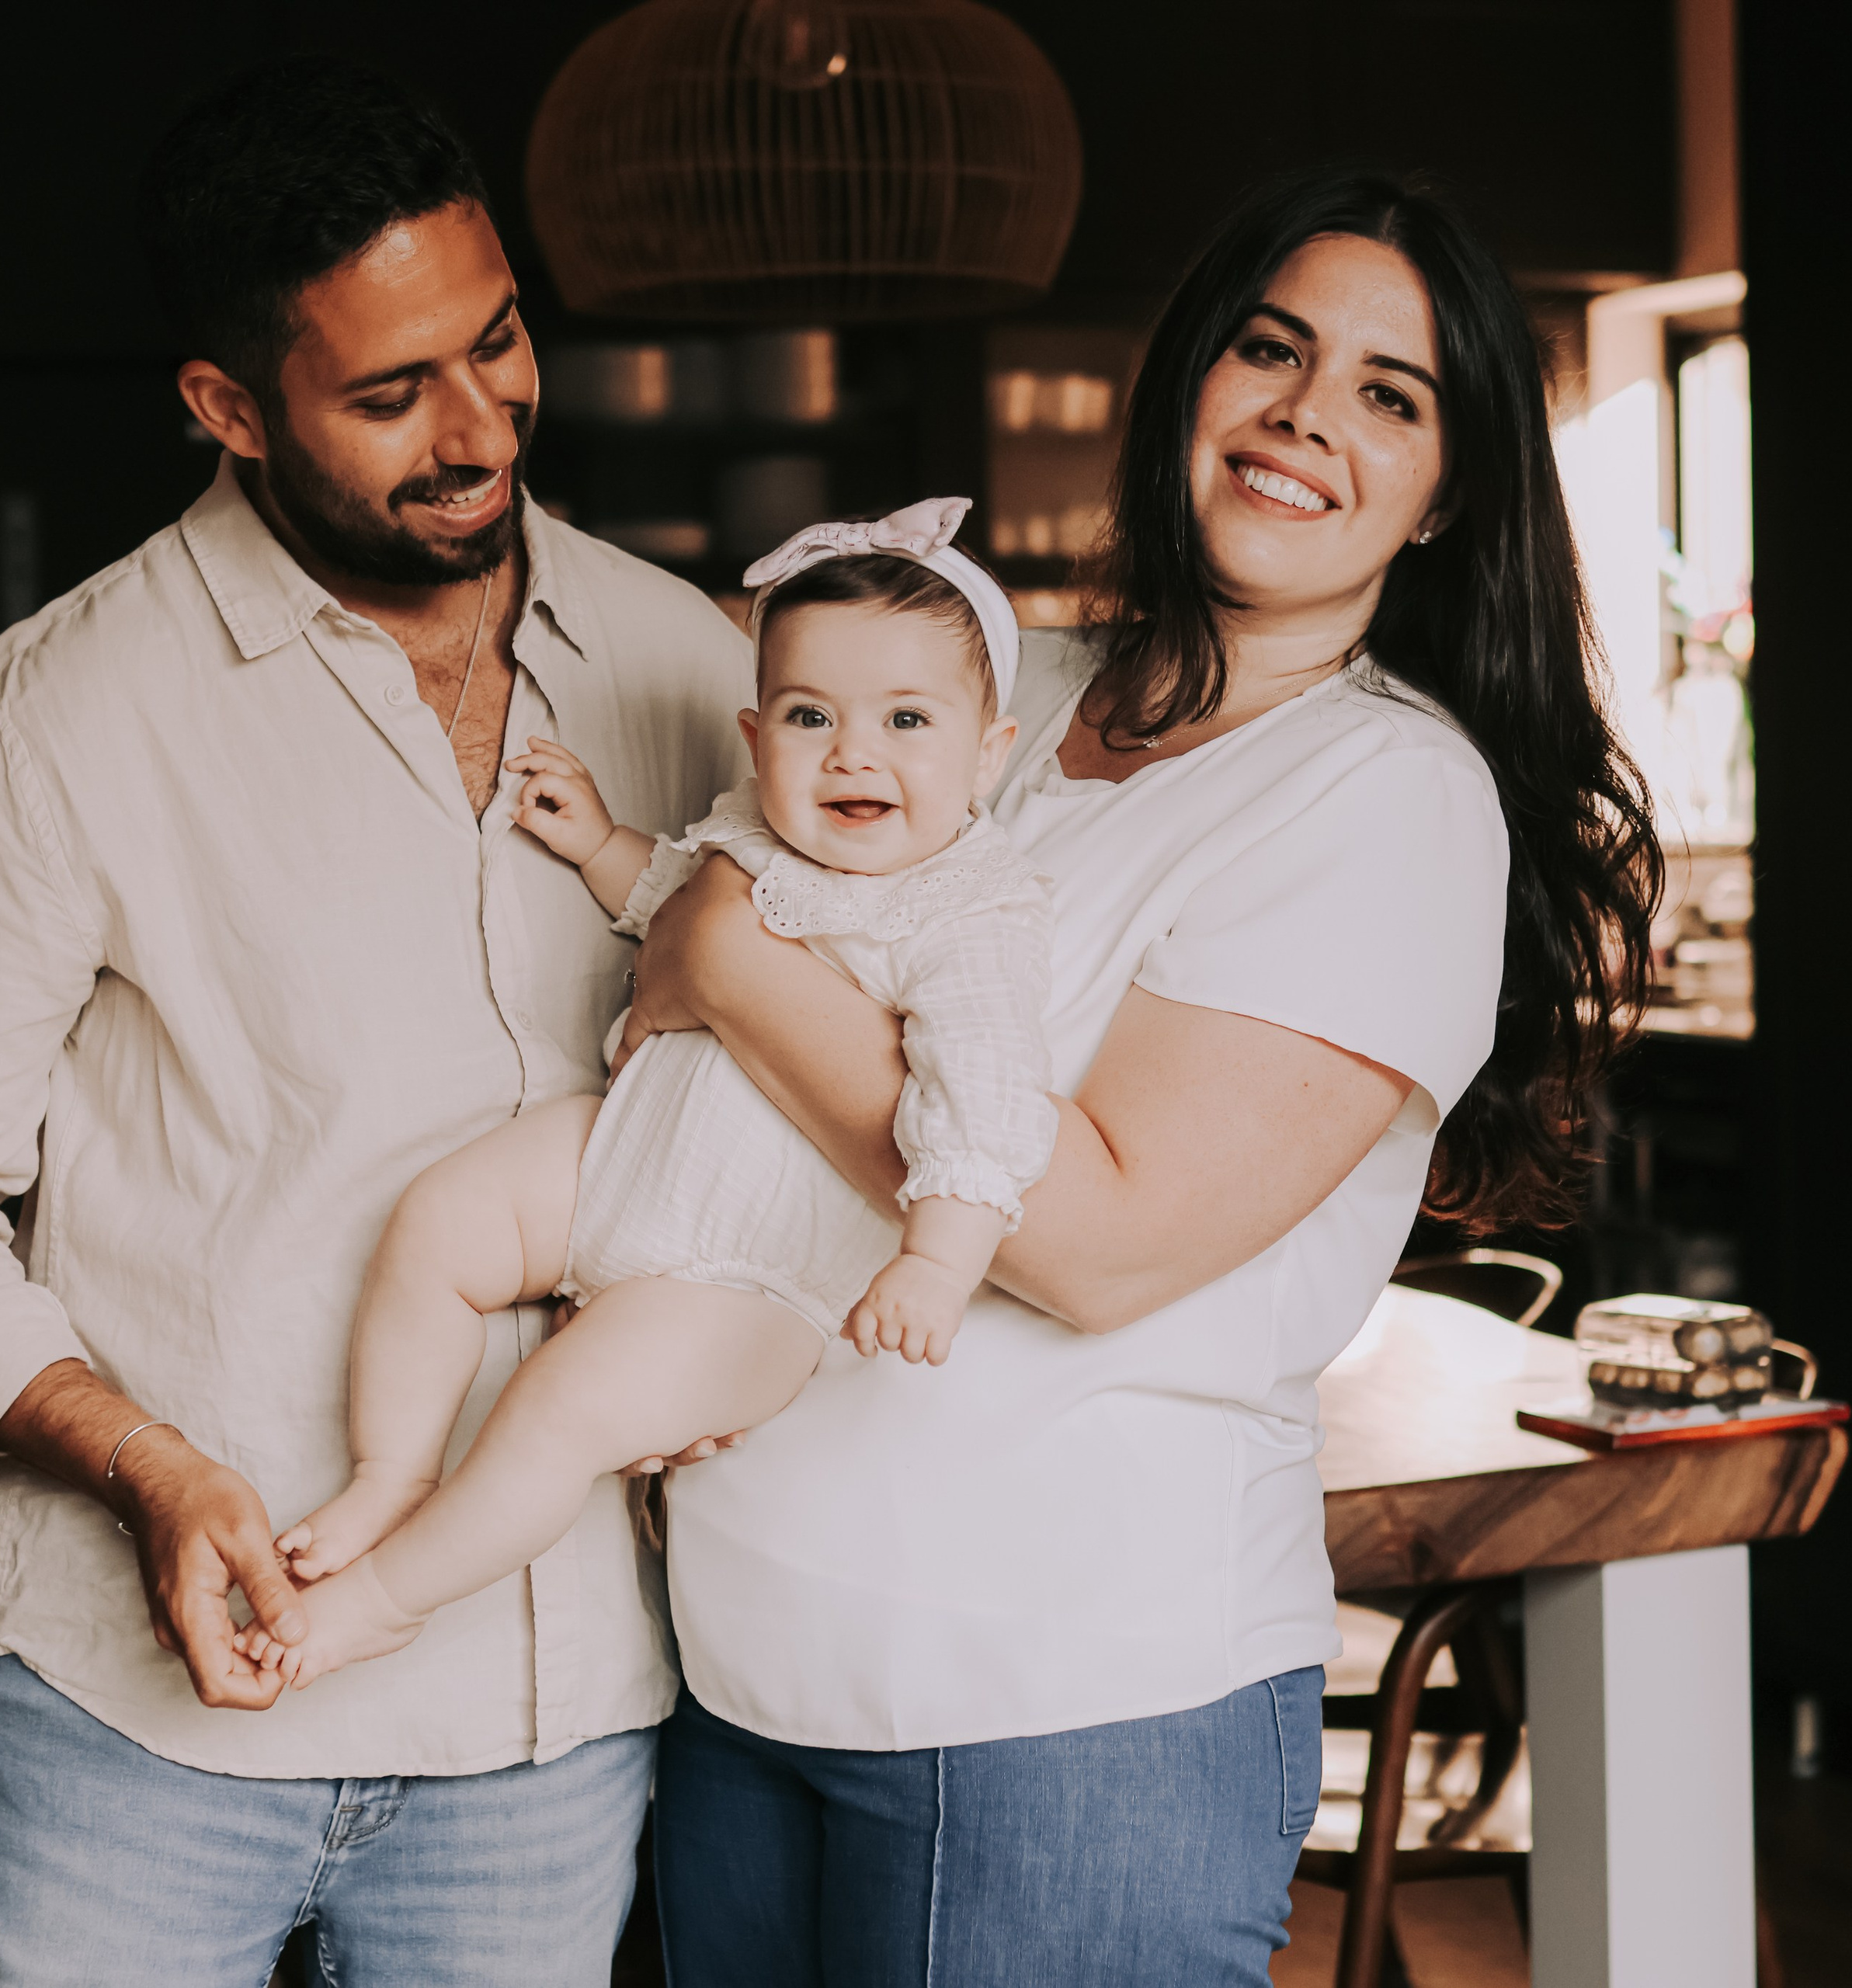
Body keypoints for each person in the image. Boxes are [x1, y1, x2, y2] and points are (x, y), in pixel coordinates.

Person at [624, 166, 1663, 1984]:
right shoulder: (1000, 679)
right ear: (1187, 379)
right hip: (733, 1673)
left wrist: (722, 957)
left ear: (1448, 497)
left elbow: (1093, 1234)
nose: (1302, 417)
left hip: (1064, 1717)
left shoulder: (1383, 796)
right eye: (1269, 352)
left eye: (1386, 396)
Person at [0, 59, 749, 1986]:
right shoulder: (62, 712)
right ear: (227, 407)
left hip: (560, 1720)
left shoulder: (704, 671)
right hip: (135, 1735)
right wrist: (146, 1469)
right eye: (389, 388)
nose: (480, 420)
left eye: (496, 342)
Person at [238, 499, 1058, 1688]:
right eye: (809, 715)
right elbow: (669, 904)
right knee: (438, 1220)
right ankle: (390, 1474)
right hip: (628, 1158)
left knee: (556, 1407)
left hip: (748, 1280)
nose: (852, 753)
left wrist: (939, 1259)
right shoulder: (756, 839)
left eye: (909, 720)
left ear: (989, 751)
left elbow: (988, 1101)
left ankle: (384, 1597)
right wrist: (600, 844)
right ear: (755, 731)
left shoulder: (971, 911)